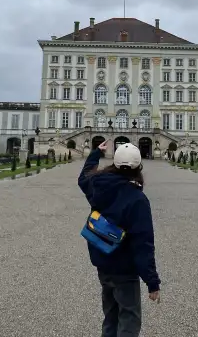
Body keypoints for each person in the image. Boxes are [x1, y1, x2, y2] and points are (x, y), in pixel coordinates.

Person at [78, 141, 160, 337]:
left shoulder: (98, 184)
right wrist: (152, 282)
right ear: (138, 167)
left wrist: (96, 153)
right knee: (129, 319)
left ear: (113, 163)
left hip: (103, 262)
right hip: (124, 269)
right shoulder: (137, 199)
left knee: (111, 316)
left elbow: (83, 178)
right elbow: (143, 244)